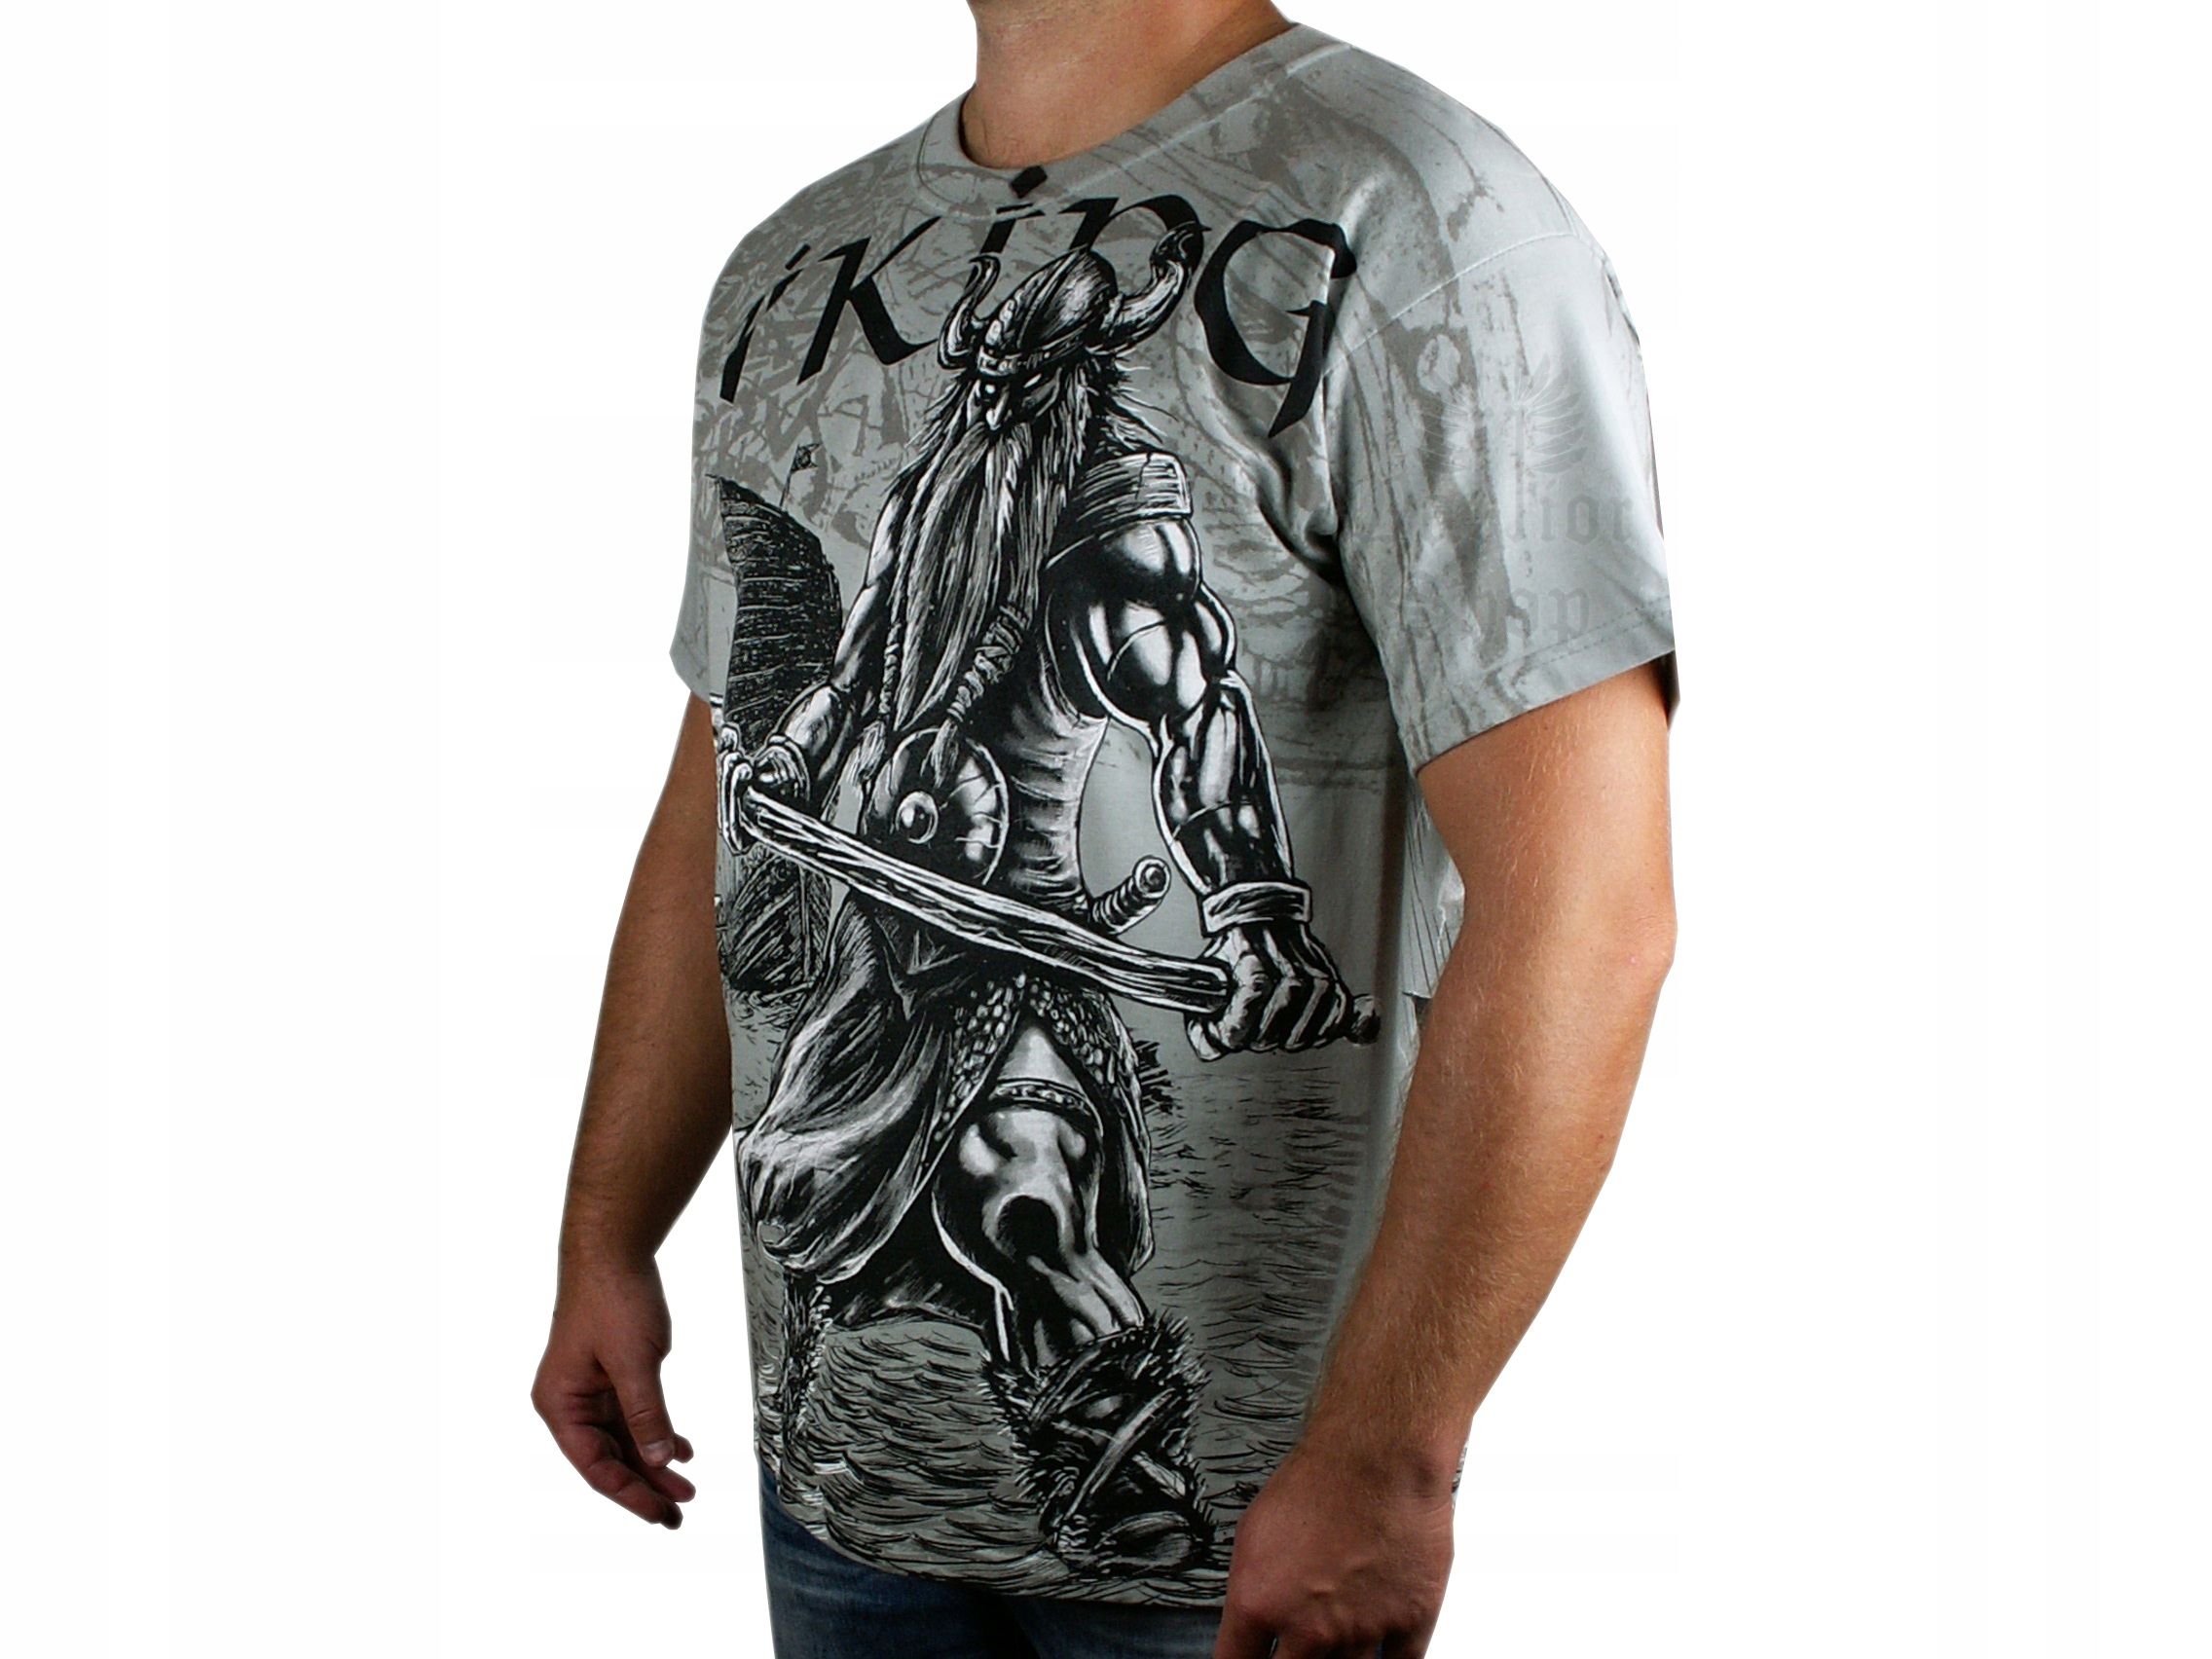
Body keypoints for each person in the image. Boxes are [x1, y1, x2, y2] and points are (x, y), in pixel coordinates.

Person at [531, 2, 1677, 1654]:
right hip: (829, 1493)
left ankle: (1126, 1471)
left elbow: (1584, 906)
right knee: (902, 1229)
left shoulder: (1418, 216)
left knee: (1024, 1192)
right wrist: (606, 1234)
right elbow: (723, 796)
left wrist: (1386, 1458)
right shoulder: (792, 269)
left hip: (1253, 1548)